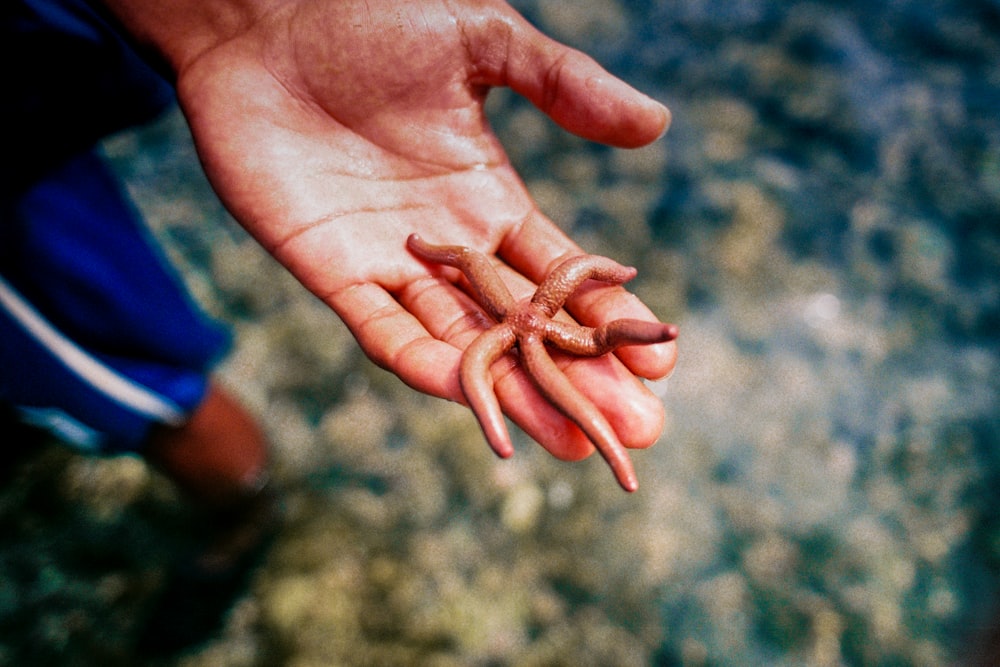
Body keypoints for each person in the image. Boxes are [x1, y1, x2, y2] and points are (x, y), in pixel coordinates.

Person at [2, 0, 678, 652]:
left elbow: (527, 288)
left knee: (121, 368)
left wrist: (260, 19)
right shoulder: (519, 314)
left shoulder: (521, 320)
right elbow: (477, 263)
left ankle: (245, 511)